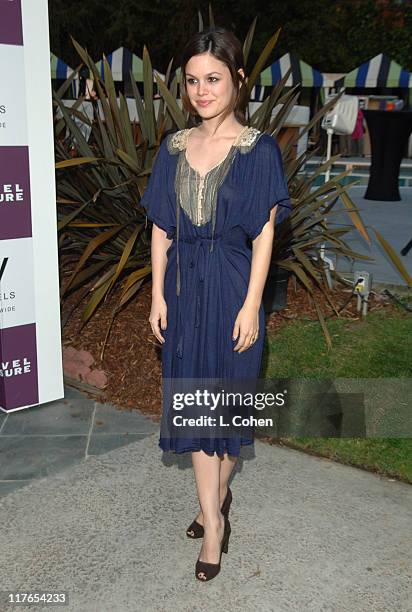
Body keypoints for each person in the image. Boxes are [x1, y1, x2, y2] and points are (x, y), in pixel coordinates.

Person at [140, 27, 292, 582]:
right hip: (183, 293)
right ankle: (213, 526)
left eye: (214, 79)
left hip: (232, 289)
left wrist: (253, 304)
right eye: (192, 81)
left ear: (238, 81)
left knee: (224, 412)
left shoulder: (259, 151)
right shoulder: (173, 148)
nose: (202, 91)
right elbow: (160, 228)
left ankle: (216, 497)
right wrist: (157, 294)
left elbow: (264, 235)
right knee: (194, 407)